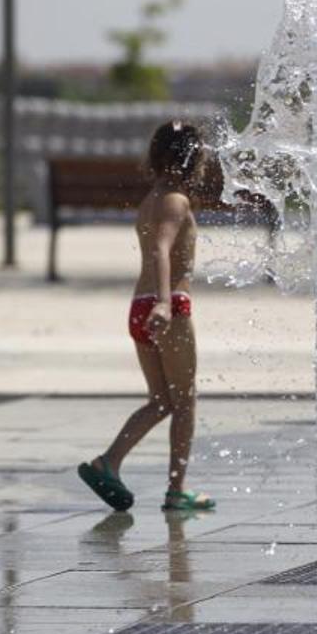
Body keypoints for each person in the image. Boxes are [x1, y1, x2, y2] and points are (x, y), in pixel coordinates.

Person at [78, 121, 214, 513]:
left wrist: (155, 302)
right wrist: (166, 303)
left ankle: (108, 463)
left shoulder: (152, 199)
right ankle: (177, 491)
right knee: (185, 401)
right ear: (191, 158)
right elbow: (160, 248)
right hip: (165, 306)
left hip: (141, 306)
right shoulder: (175, 200)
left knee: (160, 400)